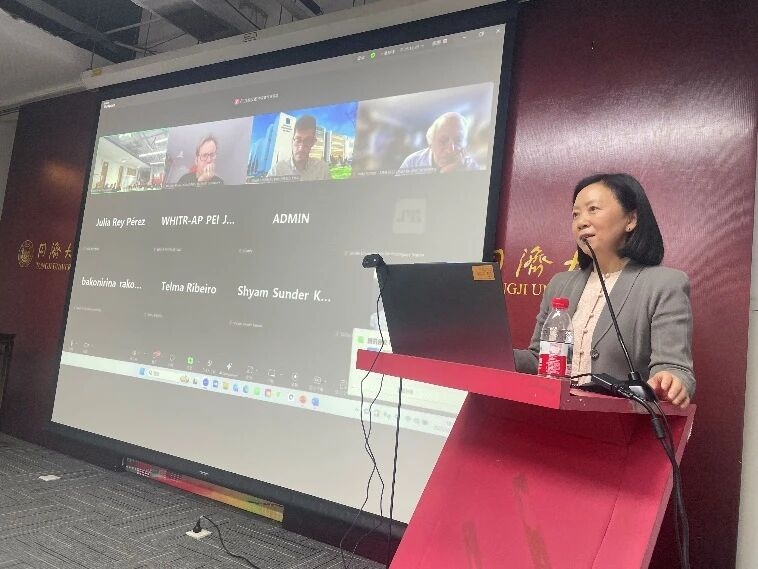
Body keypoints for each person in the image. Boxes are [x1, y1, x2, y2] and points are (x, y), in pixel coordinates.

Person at [514, 173, 695, 408]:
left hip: (621, 422)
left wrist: (671, 380)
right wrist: (494, 356)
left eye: (593, 209)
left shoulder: (664, 284)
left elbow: (675, 368)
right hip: (552, 416)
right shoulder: (560, 284)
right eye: (576, 214)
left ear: (631, 220)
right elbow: (539, 359)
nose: (581, 222)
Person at [397, 112, 480, 173]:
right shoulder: (412, 162)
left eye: (458, 140)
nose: (451, 150)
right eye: (443, 141)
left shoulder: (470, 166)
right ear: (430, 144)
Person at [268, 115, 330, 181]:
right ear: (292, 140)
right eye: (298, 140)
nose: (301, 148)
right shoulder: (276, 171)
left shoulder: (322, 169)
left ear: (313, 142)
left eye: (307, 141)